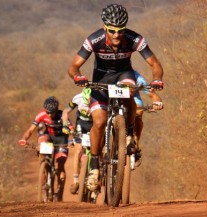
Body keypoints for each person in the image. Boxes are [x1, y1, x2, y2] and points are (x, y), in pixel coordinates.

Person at [67, 3, 164, 191]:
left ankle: (128, 133)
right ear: (105, 28)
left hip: (123, 75)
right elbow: (73, 66)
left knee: (130, 90)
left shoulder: (134, 39)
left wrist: (157, 79)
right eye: (112, 31)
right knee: (99, 122)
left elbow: (155, 63)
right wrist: (77, 76)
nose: (117, 35)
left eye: (121, 30)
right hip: (101, 79)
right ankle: (94, 166)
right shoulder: (94, 40)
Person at [18, 96, 71, 201]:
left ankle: (60, 191)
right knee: (42, 141)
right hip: (49, 137)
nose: (50, 114)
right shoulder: (42, 114)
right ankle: (44, 166)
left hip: (61, 140)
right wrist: (23, 138)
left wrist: (73, 140)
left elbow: (71, 129)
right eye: (48, 112)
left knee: (60, 165)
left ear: (56, 110)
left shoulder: (62, 116)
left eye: (52, 112)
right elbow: (31, 129)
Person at [62, 88, 93, 194]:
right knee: (78, 151)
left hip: (94, 126)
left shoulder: (99, 99)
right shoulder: (77, 98)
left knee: (98, 150)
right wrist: (65, 125)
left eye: (90, 101)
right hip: (81, 126)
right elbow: (65, 112)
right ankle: (75, 181)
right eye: (86, 102)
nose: (88, 104)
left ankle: (99, 173)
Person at [133, 71, 164, 167]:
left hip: (133, 100)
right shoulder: (104, 73)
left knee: (138, 112)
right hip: (109, 102)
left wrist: (157, 102)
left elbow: (153, 95)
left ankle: (136, 142)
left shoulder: (135, 76)